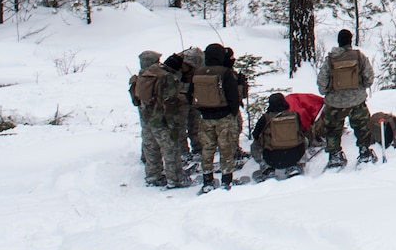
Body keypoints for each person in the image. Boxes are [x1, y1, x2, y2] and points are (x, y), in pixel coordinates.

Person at [316, 27, 379, 167]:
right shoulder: (359, 56)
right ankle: (364, 152)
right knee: (362, 127)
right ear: (350, 41)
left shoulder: (331, 59)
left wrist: (327, 92)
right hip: (357, 100)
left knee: (332, 129)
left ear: (338, 41)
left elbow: (322, 81)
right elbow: (369, 77)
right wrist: (361, 87)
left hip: (335, 102)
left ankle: (335, 155)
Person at [188, 42, 247, 192]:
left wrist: (201, 109)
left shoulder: (198, 72)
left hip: (205, 117)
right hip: (224, 116)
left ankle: (207, 180)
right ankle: (227, 180)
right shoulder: (224, 72)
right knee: (226, 148)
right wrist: (232, 112)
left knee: (207, 149)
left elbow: (190, 95)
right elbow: (233, 95)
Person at [129, 50, 187, 188]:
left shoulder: (141, 77)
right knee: (170, 148)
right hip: (161, 119)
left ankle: (153, 176)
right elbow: (170, 100)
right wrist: (173, 122)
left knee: (151, 148)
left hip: (147, 119)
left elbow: (136, 100)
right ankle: (175, 179)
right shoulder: (164, 76)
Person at [249, 92, 309, 178]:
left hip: (272, 158)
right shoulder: (295, 115)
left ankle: (267, 168)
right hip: (295, 155)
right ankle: (295, 165)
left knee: (254, 146)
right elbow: (301, 131)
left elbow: (255, 135)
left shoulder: (265, 118)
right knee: (304, 139)